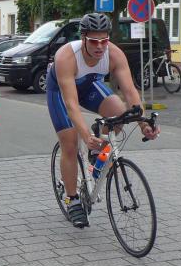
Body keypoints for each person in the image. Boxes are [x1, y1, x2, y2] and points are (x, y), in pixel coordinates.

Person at [47, 13, 159, 228]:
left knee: (119, 111)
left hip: (89, 86)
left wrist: (143, 123)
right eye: (93, 41)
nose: (100, 46)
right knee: (70, 143)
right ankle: (72, 199)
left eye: (104, 40)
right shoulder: (66, 57)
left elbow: (130, 92)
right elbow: (71, 105)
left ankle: (96, 154)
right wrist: (85, 135)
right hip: (61, 93)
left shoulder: (114, 54)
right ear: (83, 38)